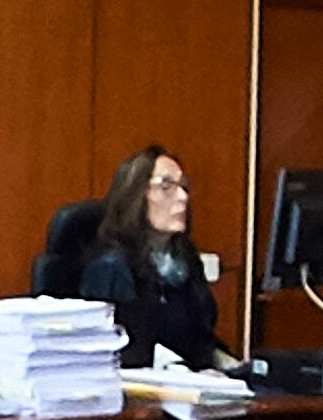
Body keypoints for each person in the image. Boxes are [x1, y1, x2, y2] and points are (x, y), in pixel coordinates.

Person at [76, 147, 230, 370]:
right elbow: (122, 354)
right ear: (136, 195)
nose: (182, 197)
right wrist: (180, 370)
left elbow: (200, 336)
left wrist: (227, 366)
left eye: (183, 186)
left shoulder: (185, 260)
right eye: (166, 187)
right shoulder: (111, 266)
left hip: (191, 388)